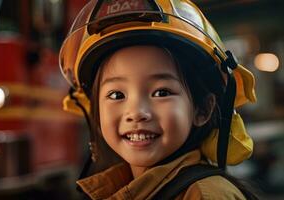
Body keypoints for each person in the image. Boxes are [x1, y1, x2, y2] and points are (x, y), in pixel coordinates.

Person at [59, 0, 258, 199]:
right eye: (116, 95)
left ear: (202, 109)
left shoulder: (206, 195)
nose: (136, 112)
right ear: (96, 109)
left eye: (161, 92)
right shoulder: (121, 188)